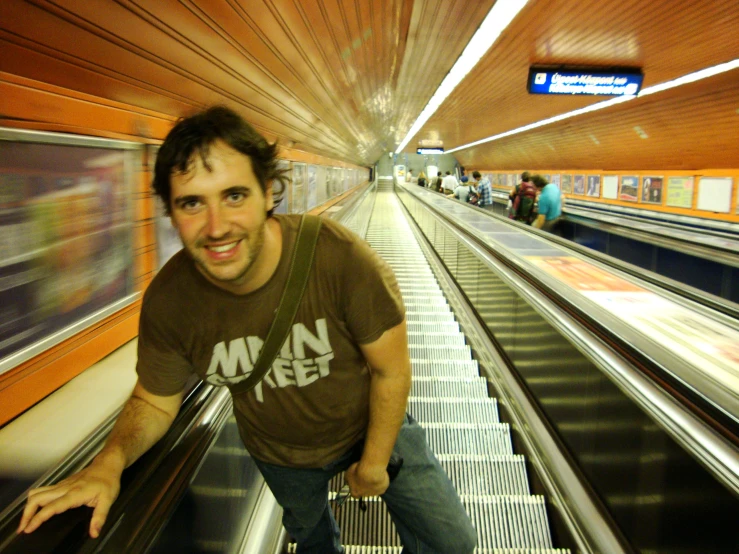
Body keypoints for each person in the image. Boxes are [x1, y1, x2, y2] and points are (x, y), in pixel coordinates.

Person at [18, 106, 476, 554]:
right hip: (280, 456)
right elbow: (154, 401)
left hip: (371, 426)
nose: (216, 227)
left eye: (234, 195)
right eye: (193, 203)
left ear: (268, 194)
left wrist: (375, 463)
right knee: (315, 544)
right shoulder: (171, 301)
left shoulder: (340, 259)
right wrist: (107, 464)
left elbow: (391, 370)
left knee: (452, 541)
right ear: (172, 215)